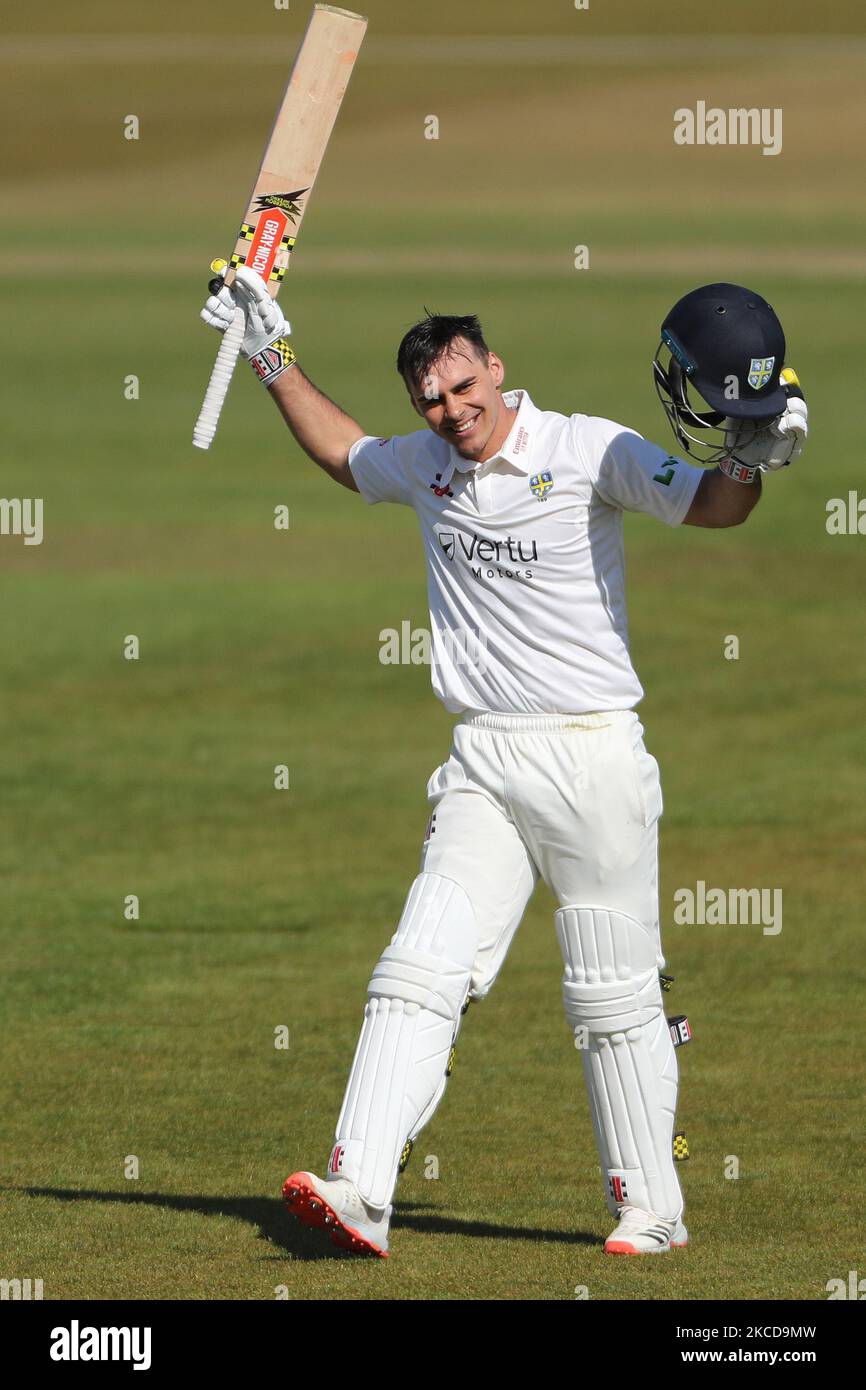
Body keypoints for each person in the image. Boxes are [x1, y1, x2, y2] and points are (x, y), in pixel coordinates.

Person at [200, 273, 807, 1257]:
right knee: (415, 968)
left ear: (494, 369)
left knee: (611, 996)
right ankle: (359, 1186)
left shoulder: (583, 447)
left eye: (461, 389)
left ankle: (651, 1212)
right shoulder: (425, 464)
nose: (451, 413)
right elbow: (344, 455)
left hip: (590, 752)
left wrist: (752, 453)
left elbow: (711, 508)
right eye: (430, 402)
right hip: (482, 756)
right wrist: (268, 354)